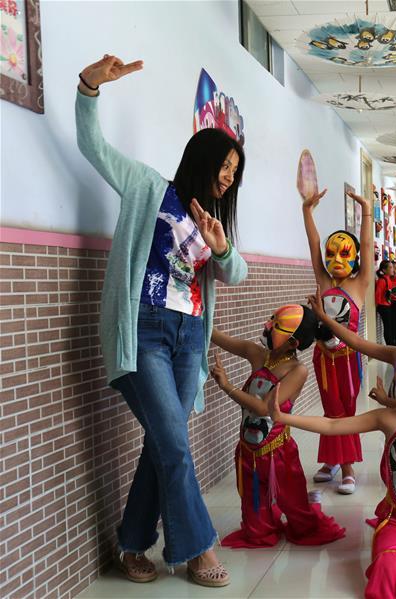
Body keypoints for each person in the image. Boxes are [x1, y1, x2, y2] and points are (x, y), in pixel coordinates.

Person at [76, 54, 247, 586]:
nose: (228, 177)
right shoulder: (150, 188)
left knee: (162, 443)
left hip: (187, 338)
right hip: (146, 332)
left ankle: (131, 545)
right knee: (173, 443)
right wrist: (88, 89)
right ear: (203, 155)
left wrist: (220, 250)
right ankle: (197, 550)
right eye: (225, 166)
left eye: (235, 173)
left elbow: (236, 272)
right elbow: (94, 149)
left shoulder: (214, 220)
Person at [267, 344, 396, 599]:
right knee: (385, 573)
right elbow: (333, 424)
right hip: (394, 517)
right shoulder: (385, 417)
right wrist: (284, 418)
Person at [208, 305, 345, 548]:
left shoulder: (297, 370)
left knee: (298, 513)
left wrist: (227, 386)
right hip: (248, 450)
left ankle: (307, 507)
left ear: (293, 343)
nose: (268, 325)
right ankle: (261, 524)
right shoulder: (256, 353)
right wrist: (197, 308)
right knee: (254, 520)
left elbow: (264, 409)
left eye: (277, 325)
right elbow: (217, 336)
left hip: (279, 454)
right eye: (272, 319)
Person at [300, 180, 374, 495]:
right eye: (333, 254)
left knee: (345, 411)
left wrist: (367, 212)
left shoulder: (360, 284)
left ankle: (347, 467)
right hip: (323, 358)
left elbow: (370, 247)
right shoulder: (323, 279)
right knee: (330, 410)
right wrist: (307, 212)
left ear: (356, 259)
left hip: (347, 360)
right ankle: (331, 462)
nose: (337, 260)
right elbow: (314, 243)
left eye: (345, 255)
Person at [375, 260, 396, 346]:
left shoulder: (388, 279)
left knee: (391, 324)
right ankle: (389, 344)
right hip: (383, 306)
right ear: (384, 270)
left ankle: (392, 341)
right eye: (390, 267)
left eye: (393, 267)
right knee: (387, 326)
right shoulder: (382, 280)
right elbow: (378, 294)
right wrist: (378, 305)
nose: (393, 269)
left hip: (388, 305)